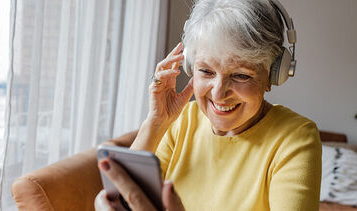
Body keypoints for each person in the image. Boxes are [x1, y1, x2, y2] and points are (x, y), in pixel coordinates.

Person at [95, 0, 322, 210]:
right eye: (206, 71)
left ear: (273, 75)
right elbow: (129, 199)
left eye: (241, 75)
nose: (218, 93)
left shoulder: (296, 139)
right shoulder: (182, 121)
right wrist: (156, 122)